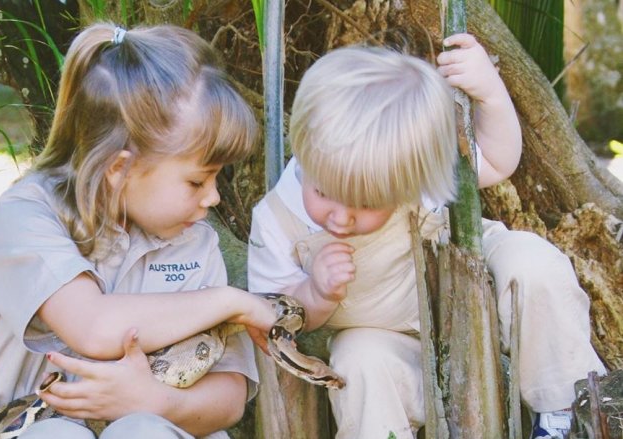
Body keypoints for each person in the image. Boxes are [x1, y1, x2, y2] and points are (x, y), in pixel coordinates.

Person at [247, 33, 606, 439]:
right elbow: (273, 325)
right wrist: (314, 293)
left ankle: (561, 411)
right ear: (304, 152)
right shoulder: (277, 219)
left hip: (469, 293)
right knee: (359, 361)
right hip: (393, 343)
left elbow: (498, 160)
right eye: (325, 194)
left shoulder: (403, 168)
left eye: (367, 204)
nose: (342, 218)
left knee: (533, 265)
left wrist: (489, 92)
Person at [0, 22, 276, 439]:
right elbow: (94, 328)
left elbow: (229, 399)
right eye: (196, 181)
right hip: (34, 429)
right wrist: (228, 301)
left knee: (142, 429)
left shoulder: (193, 241)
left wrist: (155, 402)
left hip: (163, 426)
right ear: (120, 168)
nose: (214, 199)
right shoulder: (26, 216)